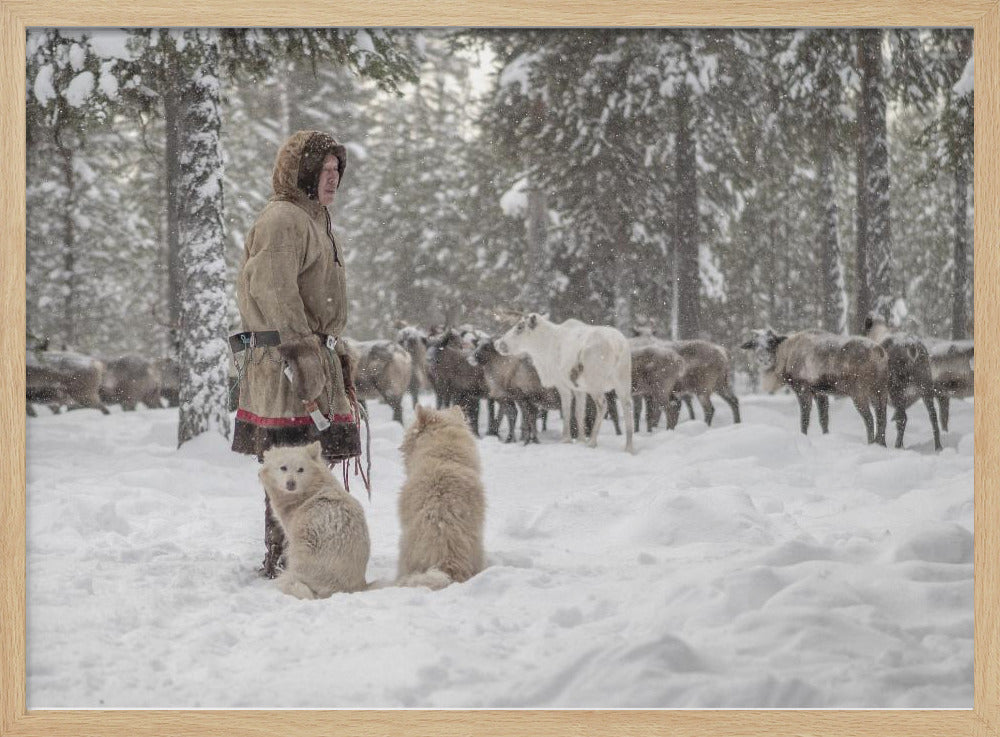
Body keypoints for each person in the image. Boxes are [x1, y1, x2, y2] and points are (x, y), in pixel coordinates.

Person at [230, 130, 361, 578]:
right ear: (301, 172)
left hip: (308, 359)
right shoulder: (284, 218)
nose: (333, 178)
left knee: (308, 465)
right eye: (324, 170)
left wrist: (330, 354)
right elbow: (271, 291)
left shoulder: (315, 219)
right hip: (286, 367)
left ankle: (307, 553)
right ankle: (284, 558)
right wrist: (303, 355)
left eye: (337, 170)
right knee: (291, 467)